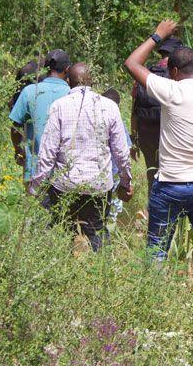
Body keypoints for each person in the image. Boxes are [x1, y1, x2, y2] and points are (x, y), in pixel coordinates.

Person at [124, 20, 193, 298]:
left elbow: (132, 63)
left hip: (171, 185)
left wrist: (157, 35)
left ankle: (152, 303)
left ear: (173, 71)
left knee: (157, 248)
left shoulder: (171, 91)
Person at [30, 63, 132, 251]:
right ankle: (102, 275)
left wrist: (36, 186)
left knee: (62, 232)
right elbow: (121, 152)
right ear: (93, 81)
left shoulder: (58, 106)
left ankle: (62, 272)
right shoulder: (109, 107)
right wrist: (125, 183)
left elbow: (47, 152)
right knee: (97, 232)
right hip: (98, 185)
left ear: (68, 82)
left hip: (65, 184)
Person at [10, 49, 71, 191]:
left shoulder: (29, 91)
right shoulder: (71, 93)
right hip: (65, 171)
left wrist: (19, 151)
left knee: (35, 211)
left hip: (34, 170)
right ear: (67, 69)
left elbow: (16, 128)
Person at [131, 37, 183, 196]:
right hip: (170, 134)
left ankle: (152, 208)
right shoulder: (178, 76)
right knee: (172, 176)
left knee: (151, 172)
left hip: (146, 133)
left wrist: (134, 138)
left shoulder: (146, 75)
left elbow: (134, 109)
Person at [102, 87, 132, 223]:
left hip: (102, 172)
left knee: (102, 205)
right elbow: (126, 149)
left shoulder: (96, 119)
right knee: (113, 206)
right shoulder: (118, 121)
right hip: (115, 172)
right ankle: (110, 225)